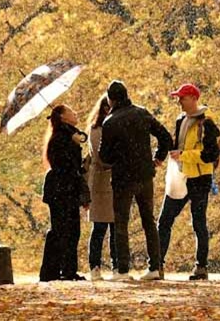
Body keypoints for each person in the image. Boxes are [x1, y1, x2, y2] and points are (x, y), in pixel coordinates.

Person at [98, 80, 174, 280]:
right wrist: (157, 158)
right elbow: (165, 136)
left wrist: (117, 154)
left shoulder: (110, 121)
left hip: (123, 178)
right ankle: (155, 267)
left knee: (121, 222)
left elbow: (104, 156)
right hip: (145, 175)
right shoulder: (142, 113)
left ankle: (123, 270)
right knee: (149, 220)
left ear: (110, 99)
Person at [154, 82, 220, 281]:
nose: (179, 102)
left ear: (193, 98)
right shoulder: (180, 119)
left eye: (182, 98)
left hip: (199, 177)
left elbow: (210, 154)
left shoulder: (207, 121)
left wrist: (184, 155)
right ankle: (157, 265)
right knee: (164, 220)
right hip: (180, 176)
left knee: (198, 221)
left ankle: (201, 266)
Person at [39, 104, 89, 281]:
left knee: (72, 229)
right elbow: (64, 164)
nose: (75, 113)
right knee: (61, 229)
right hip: (60, 189)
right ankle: (52, 271)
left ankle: (68, 269)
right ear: (62, 117)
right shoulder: (60, 138)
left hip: (67, 188)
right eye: (71, 111)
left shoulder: (69, 135)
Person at [85, 92, 118, 281]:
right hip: (101, 182)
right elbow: (100, 157)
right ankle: (94, 266)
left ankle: (116, 266)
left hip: (115, 182)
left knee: (116, 227)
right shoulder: (96, 130)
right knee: (99, 227)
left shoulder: (113, 128)